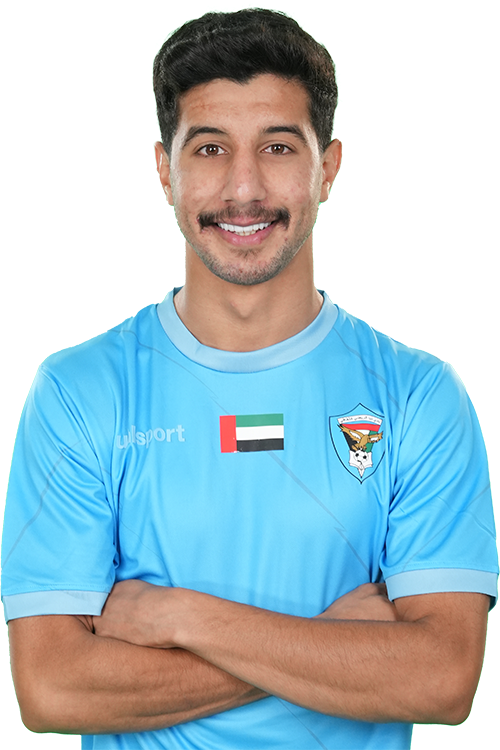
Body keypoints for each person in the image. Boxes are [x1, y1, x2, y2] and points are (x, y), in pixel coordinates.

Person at [2, 6, 497, 750]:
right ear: (164, 171)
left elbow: (442, 680)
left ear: (326, 169)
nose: (243, 188)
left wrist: (180, 618)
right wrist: (334, 644)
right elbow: (52, 689)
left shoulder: (422, 397)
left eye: (277, 147)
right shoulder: (79, 392)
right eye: (209, 148)